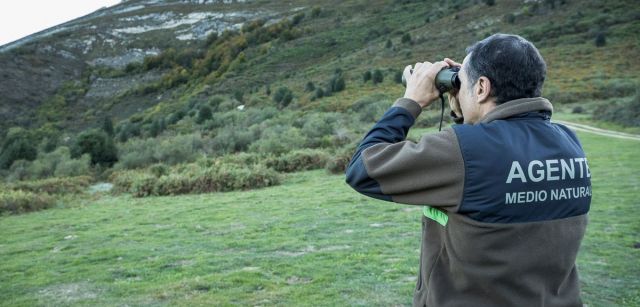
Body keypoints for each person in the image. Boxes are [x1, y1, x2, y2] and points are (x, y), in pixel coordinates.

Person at [345, 33, 591, 307]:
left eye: (464, 83)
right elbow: (490, 167)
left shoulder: (465, 151)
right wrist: (463, 109)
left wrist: (410, 100)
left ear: (482, 87)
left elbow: (362, 169)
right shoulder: (569, 142)